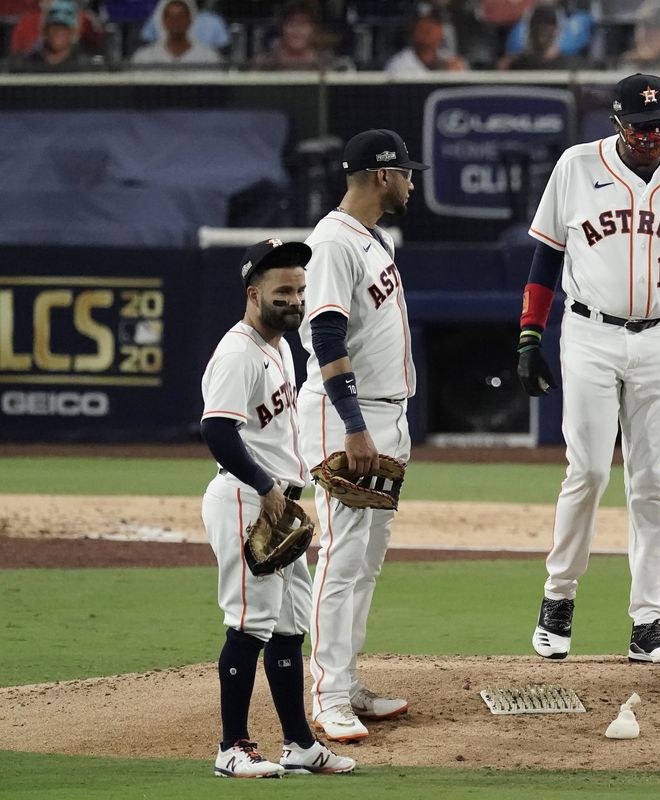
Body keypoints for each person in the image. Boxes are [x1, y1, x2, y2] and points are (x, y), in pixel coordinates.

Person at [517, 73, 660, 665]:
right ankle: (558, 598)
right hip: (589, 332)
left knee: (652, 482)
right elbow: (546, 256)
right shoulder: (576, 165)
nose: (653, 133)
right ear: (617, 123)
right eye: (642, 125)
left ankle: (648, 622)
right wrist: (529, 334)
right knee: (587, 471)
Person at [200, 238, 355, 778]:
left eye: (300, 290)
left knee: (290, 626)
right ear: (253, 294)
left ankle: (300, 744)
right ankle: (231, 748)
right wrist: (268, 487)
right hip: (246, 500)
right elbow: (217, 431)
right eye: (283, 290)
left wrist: (302, 473)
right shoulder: (238, 352)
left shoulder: (282, 348)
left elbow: (274, 432)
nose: (295, 299)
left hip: (278, 502)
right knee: (249, 623)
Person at [296, 129, 430, 743]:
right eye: (405, 171)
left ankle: (345, 681)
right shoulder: (331, 241)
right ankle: (325, 697)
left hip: (384, 416)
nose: (411, 180)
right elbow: (325, 335)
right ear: (382, 176)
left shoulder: (369, 238)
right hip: (348, 418)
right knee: (343, 558)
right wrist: (353, 425)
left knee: (367, 561)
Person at [130, 0, 221, 66]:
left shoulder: (209, 58)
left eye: (180, 17)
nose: (175, 22)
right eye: (170, 17)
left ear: (190, 20)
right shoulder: (143, 58)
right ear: (163, 21)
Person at [16, 0, 88, 71]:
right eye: (54, 27)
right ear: (45, 30)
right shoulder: (26, 64)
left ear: (73, 32)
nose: (58, 32)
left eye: (64, 28)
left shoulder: (84, 66)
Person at [384, 13, 467, 74]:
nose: (431, 35)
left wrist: (454, 74)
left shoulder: (449, 59)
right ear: (413, 34)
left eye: (432, 30)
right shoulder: (398, 65)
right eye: (425, 31)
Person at [499, 3, 570, 69]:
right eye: (538, 24)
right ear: (529, 28)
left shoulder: (568, 66)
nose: (542, 29)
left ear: (557, 30)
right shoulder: (516, 65)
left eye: (548, 25)